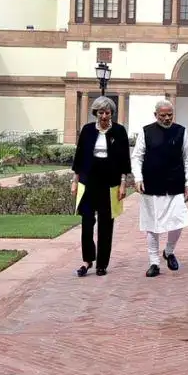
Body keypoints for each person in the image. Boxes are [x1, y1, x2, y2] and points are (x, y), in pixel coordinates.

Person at [131, 100, 188, 278]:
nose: (166, 118)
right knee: (152, 224)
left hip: (175, 184)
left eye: (170, 115)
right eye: (163, 115)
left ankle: (169, 251)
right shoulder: (146, 131)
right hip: (151, 184)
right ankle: (154, 262)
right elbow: (137, 157)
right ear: (156, 115)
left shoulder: (180, 131)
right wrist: (138, 178)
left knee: (179, 220)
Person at [72, 96, 131, 277]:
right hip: (89, 181)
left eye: (107, 112)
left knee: (106, 224)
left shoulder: (119, 131)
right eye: (100, 113)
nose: (104, 116)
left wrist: (123, 184)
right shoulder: (87, 130)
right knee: (87, 222)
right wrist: (74, 181)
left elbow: (124, 160)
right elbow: (79, 156)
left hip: (109, 183)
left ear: (112, 113)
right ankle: (87, 260)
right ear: (95, 113)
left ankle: (102, 264)